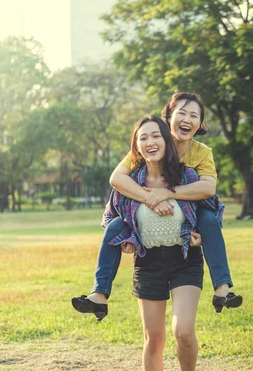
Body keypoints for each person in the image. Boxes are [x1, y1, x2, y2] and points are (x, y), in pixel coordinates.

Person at [72, 92, 241, 320]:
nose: (187, 119)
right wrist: (148, 198)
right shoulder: (153, 141)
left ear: (200, 123)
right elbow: (117, 178)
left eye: (194, 115)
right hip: (146, 222)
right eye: (181, 113)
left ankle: (222, 289)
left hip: (189, 218)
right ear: (168, 117)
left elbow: (208, 188)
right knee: (113, 228)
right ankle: (99, 294)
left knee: (209, 221)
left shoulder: (201, 152)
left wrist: (166, 193)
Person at [81, 115, 216, 370]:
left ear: (166, 141)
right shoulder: (131, 181)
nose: (150, 142)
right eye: (143, 138)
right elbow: (115, 219)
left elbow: (210, 208)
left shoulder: (187, 176)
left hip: (185, 260)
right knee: (153, 339)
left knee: (183, 331)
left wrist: (199, 234)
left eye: (156, 136)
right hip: (148, 262)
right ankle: (99, 293)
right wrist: (128, 240)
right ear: (136, 146)